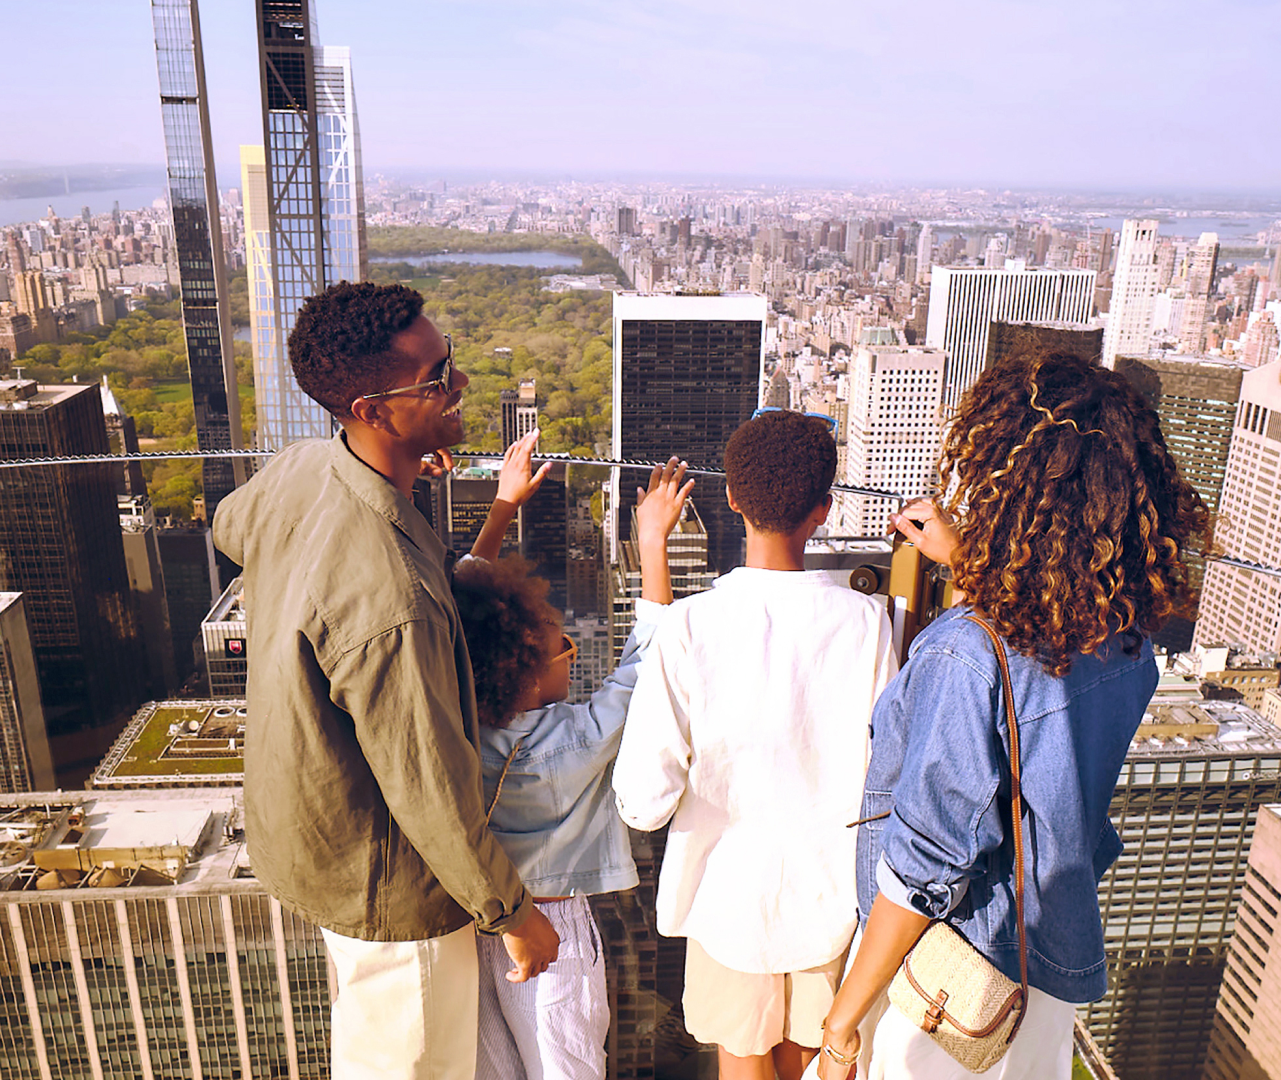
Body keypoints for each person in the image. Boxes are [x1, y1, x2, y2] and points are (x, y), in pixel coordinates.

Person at [814, 345, 1210, 1080]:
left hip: (954, 984)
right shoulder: (1125, 634)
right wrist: (971, 566)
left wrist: (841, 1025)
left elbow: (926, 866)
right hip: (1046, 964)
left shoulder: (963, 655)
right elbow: (1039, 690)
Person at [213, 281, 558, 1079]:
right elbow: (431, 786)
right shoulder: (391, 599)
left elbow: (234, 525)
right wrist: (514, 915)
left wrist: (400, 478)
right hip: (393, 889)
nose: (458, 384)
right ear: (371, 409)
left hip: (312, 840)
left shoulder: (307, 466)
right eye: (436, 378)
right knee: (408, 1063)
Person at [612, 411, 901, 1080]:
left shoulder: (690, 627)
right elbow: (889, 770)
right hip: (832, 899)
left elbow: (642, 804)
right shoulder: (869, 624)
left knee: (742, 1059)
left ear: (733, 499)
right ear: (824, 510)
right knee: (820, 1053)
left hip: (726, 902)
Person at [451, 454, 694, 1080]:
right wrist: (651, 541)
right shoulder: (576, 739)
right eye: (564, 644)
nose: (572, 653)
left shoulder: (454, 725)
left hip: (474, 921)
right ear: (529, 670)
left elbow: (461, 604)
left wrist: (503, 506)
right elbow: (648, 659)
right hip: (551, 929)